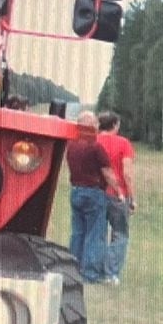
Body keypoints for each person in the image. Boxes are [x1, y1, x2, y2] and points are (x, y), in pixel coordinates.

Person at [66, 111, 119, 284]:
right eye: (95, 123)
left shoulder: (71, 145)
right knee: (95, 234)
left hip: (76, 191)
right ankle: (89, 274)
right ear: (89, 126)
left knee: (78, 233)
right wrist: (119, 192)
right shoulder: (96, 147)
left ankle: (72, 269)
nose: (97, 126)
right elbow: (108, 173)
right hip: (94, 192)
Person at [96, 111, 137, 284]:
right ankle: (110, 273)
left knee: (98, 233)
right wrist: (132, 197)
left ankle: (94, 269)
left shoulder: (93, 141)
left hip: (96, 192)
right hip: (117, 194)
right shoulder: (123, 143)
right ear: (115, 125)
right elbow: (127, 173)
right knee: (120, 234)